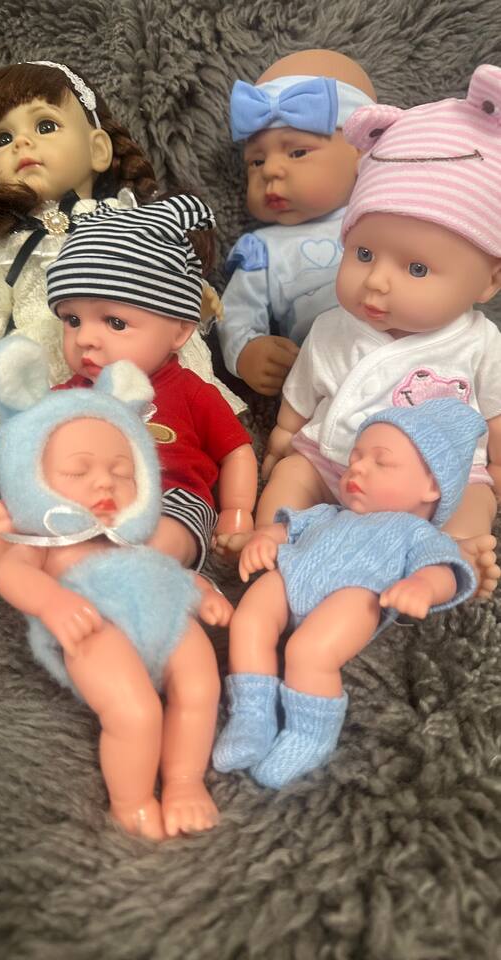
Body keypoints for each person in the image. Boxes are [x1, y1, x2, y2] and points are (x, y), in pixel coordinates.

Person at [254, 63, 501, 594]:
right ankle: (270, 540)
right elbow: (302, 394)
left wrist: (497, 468)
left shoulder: (481, 343)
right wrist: (282, 438)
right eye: (363, 254)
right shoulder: (333, 327)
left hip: (436, 481)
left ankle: (453, 554)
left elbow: (495, 413)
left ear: (489, 281)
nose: (377, 282)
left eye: (417, 269)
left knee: (475, 495)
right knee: (293, 476)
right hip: (336, 461)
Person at [0, 335, 229, 840]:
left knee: (201, 687)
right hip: (93, 626)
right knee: (136, 712)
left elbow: (159, 569)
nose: (106, 483)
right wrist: (53, 601)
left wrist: (201, 589)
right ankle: (132, 802)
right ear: (29, 476)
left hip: (166, 616)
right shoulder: (48, 541)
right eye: (78, 470)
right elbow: (12, 573)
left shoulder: (132, 537)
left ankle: (184, 784)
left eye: (122, 471)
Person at [0, 61, 244, 473]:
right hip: (51, 363)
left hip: (136, 354)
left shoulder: (125, 219)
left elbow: (159, 269)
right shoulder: (5, 246)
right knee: (47, 448)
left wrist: (191, 293)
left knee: (169, 415)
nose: (21, 143)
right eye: (2, 138)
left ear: (98, 149)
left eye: (44, 126)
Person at [0, 194, 258, 572]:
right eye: (72, 320)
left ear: (180, 330)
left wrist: (236, 512)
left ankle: (134, 565)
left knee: (175, 528)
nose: (85, 338)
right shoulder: (67, 399)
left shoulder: (192, 392)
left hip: (171, 497)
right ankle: (54, 560)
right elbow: (33, 454)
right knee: (50, 512)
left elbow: (237, 451)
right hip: (88, 499)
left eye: (115, 322)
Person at [213, 399, 484, 789]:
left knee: (310, 651)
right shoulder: (329, 512)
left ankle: (310, 733)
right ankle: (252, 715)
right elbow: (287, 529)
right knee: (249, 619)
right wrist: (265, 541)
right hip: (292, 572)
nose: (357, 468)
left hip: (358, 592)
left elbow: (444, 568)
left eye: (381, 462)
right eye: (355, 458)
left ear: (431, 486)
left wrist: (423, 586)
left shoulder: (416, 533)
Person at [217, 49, 376, 395]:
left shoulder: (390, 213)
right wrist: (247, 351)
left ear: (362, 153)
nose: (271, 170)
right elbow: (235, 313)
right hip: (332, 388)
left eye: (297, 152)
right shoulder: (265, 250)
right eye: (256, 161)